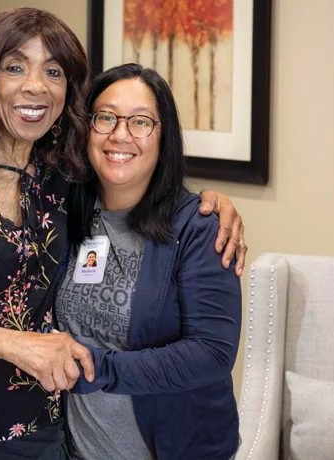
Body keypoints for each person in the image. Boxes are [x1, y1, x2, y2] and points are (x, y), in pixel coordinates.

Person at [0, 8, 246, 459]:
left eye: (54, 71)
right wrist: (18, 345)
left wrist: (212, 200)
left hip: (33, 423)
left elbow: (139, 180)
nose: (36, 86)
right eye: (15, 66)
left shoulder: (57, 175)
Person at [56, 63, 242, 459]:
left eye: (140, 122)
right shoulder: (64, 210)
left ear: (163, 138)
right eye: (105, 118)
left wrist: (97, 369)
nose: (120, 134)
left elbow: (211, 353)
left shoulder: (199, 227)